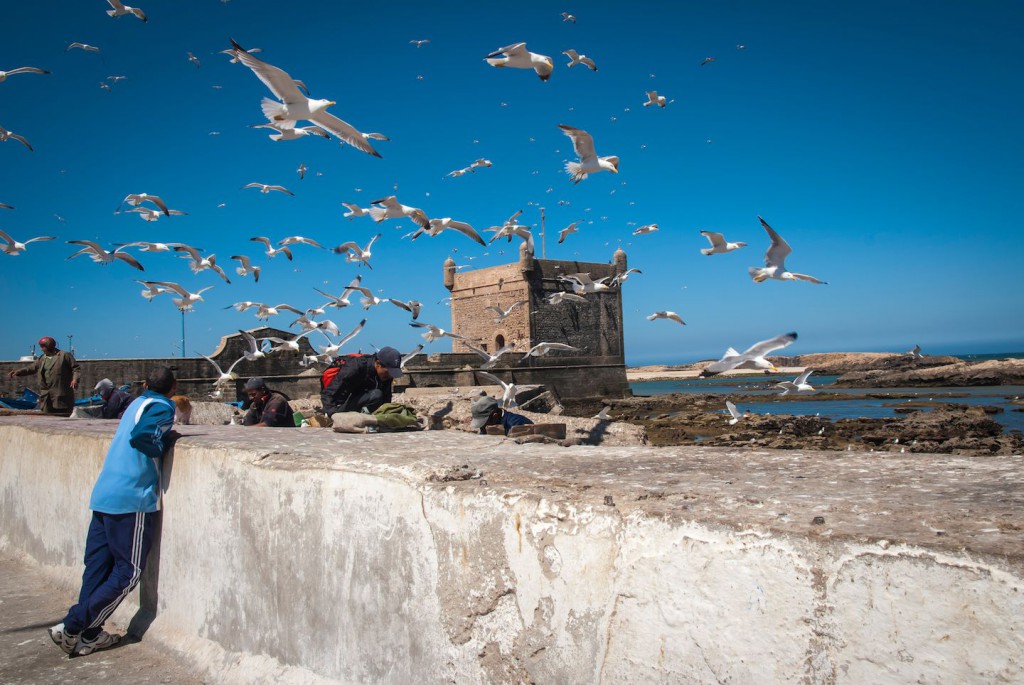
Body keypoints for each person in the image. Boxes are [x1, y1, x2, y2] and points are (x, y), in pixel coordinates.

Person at [49, 366, 178, 657]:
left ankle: (89, 635)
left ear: (146, 383)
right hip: (131, 499)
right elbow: (144, 436)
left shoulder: (135, 403)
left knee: (96, 569)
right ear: (173, 387)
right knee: (129, 572)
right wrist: (163, 443)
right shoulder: (162, 406)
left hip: (105, 493)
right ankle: (71, 626)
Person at [7, 336, 81, 416]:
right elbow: (32, 368)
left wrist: (75, 379)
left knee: (62, 415)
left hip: (60, 394)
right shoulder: (42, 358)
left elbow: (76, 368)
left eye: (42, 347)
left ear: (49, 346)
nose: (41, 349)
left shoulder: (64, 355)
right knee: (46, 416)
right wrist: (18, 371)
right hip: (46, 395)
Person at [320, 347, 403, 416]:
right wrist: (332, 415)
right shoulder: (355, 367)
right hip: (339, 407)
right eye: (388, 372)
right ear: (378, 364)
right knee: (376, 394)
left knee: (377, 395)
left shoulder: (386, 376)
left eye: (392, 373)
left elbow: (386, 400)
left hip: (358, 402)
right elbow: (328, 393)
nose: (390, 376)